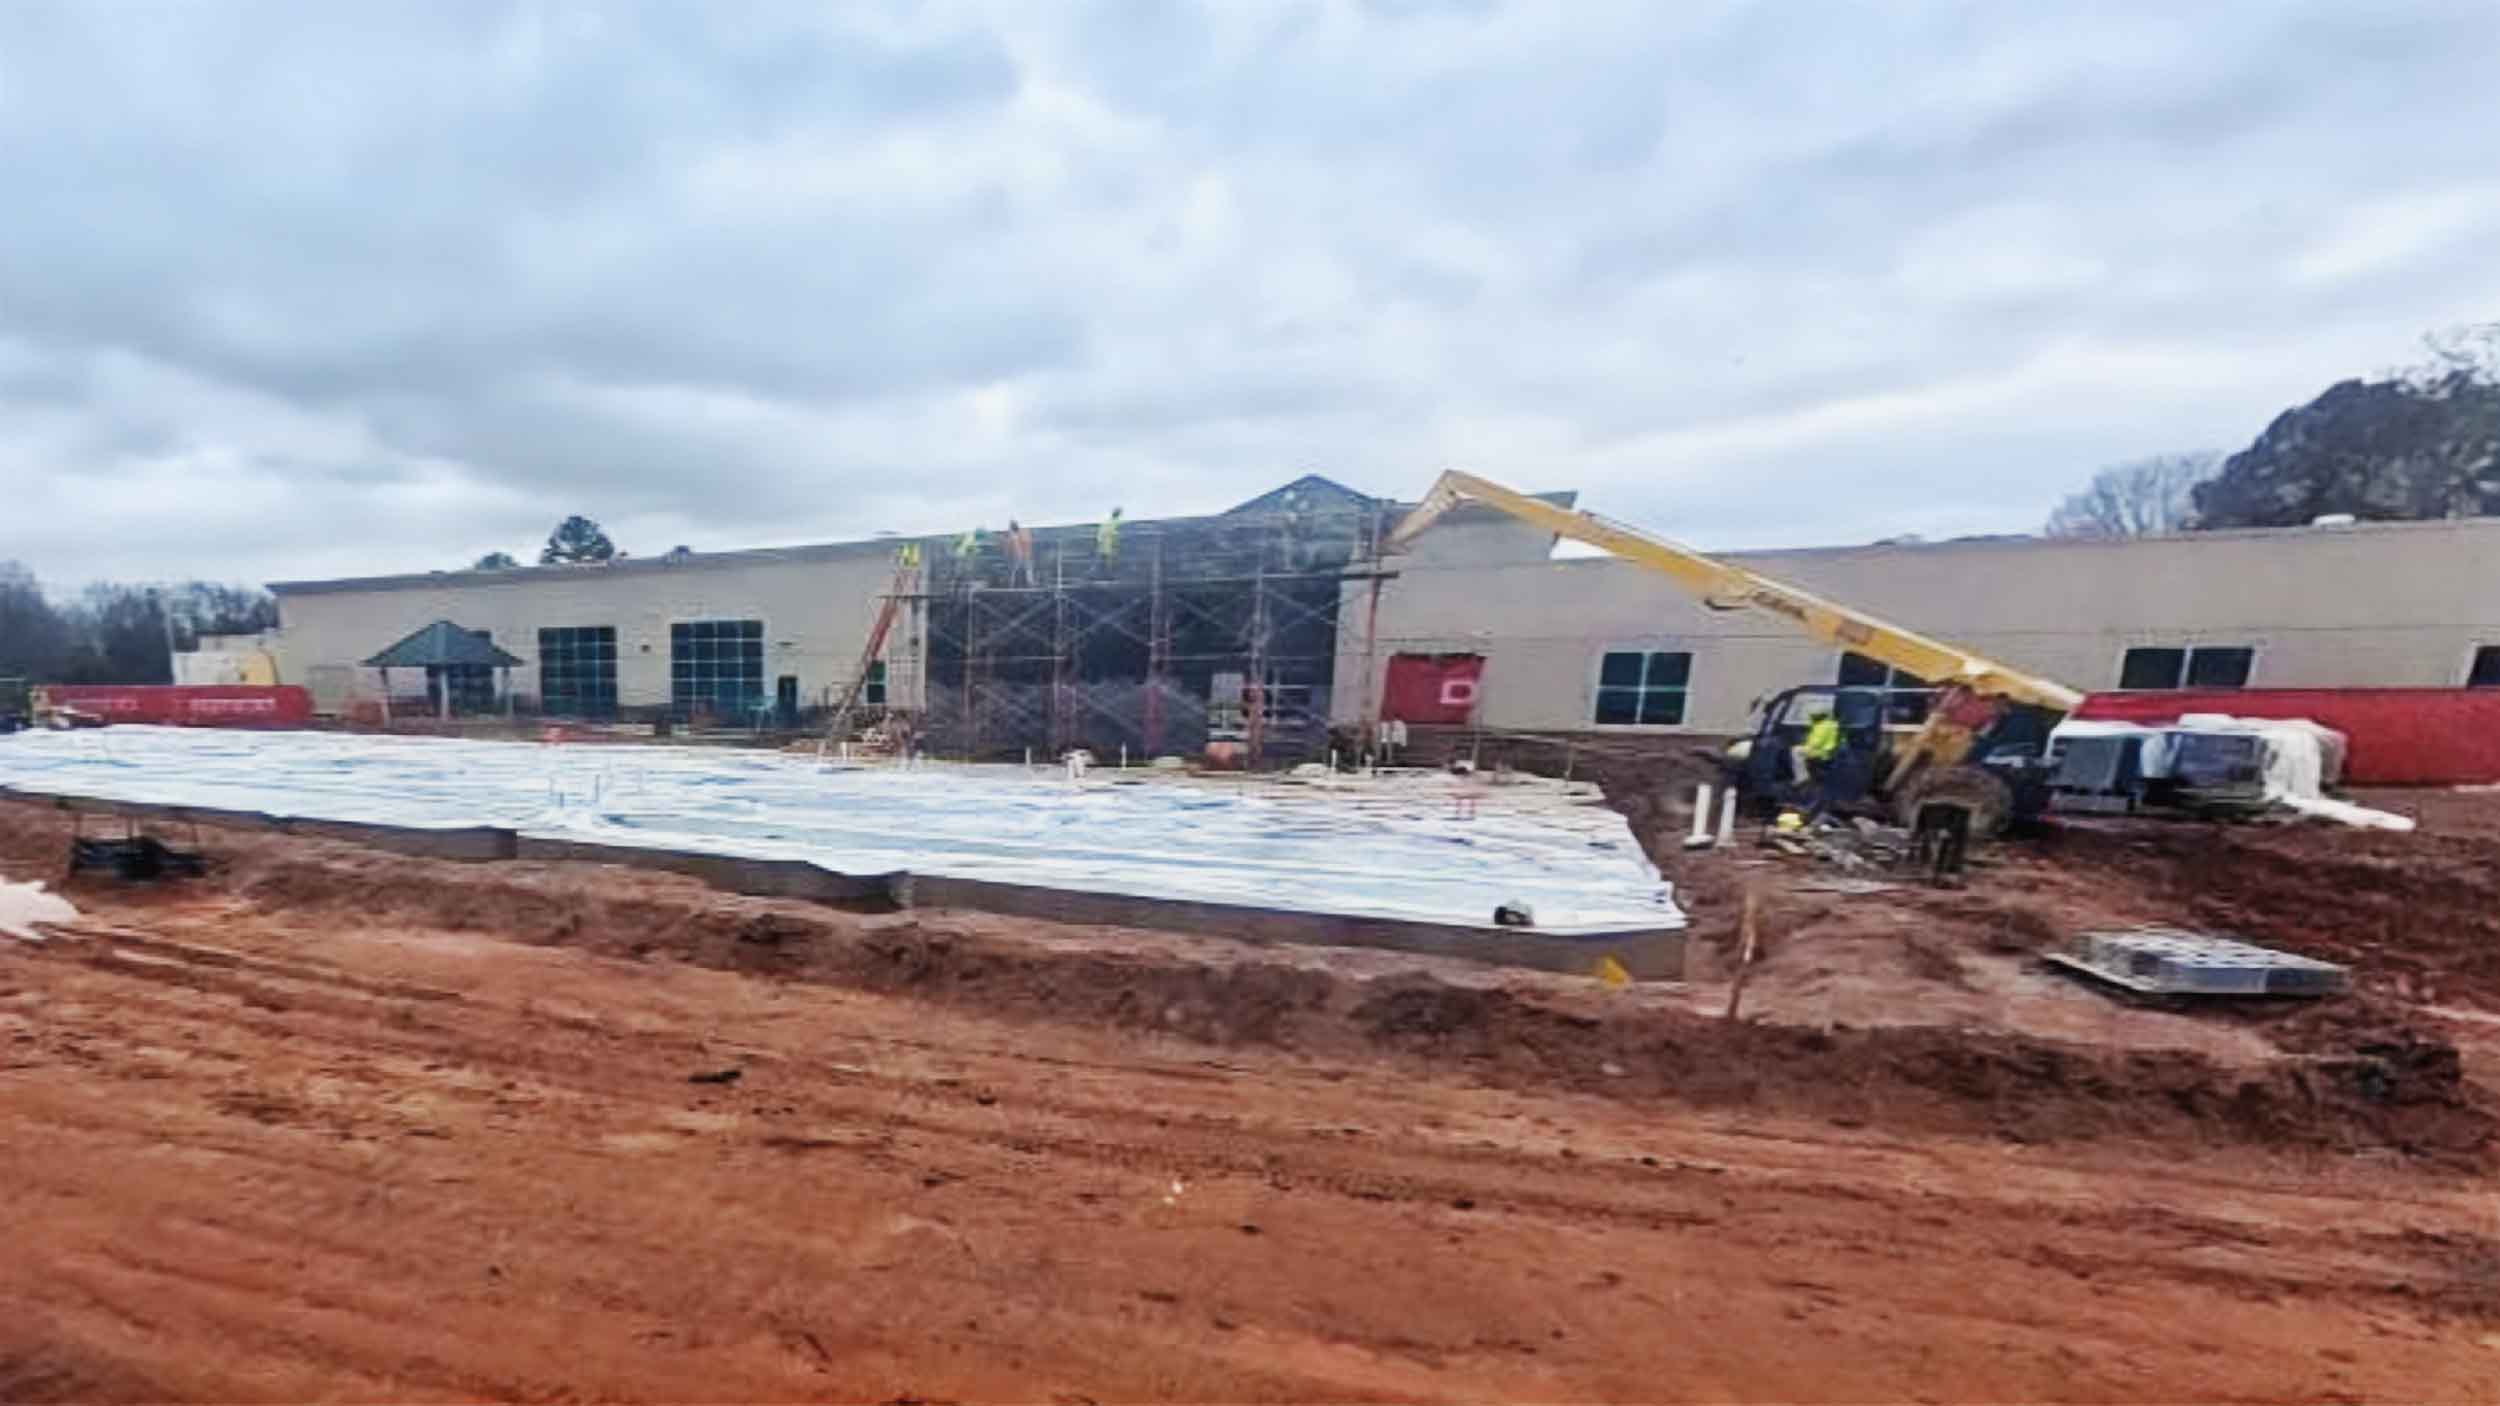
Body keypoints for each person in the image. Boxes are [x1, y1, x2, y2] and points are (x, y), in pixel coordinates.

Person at [1791, 708, 1843, 789]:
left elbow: (1816, 743)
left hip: (1821, 752)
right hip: (1829, 751)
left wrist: (1805, 745)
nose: (1812, 717)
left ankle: (1802, 777)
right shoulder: (1833, 724)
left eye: (1814, 716)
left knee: (1795, 750)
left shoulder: (1823, 726)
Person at [1005, 519, 1035, 586]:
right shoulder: (1015, 535)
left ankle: (1028, 582)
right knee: (1020, 569)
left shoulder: (1016, 535)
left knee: (1022, 569)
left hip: (1021, 556)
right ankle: (1013, 583)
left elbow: (1012, 547)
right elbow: (1012, 547)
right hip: (1021, 556)